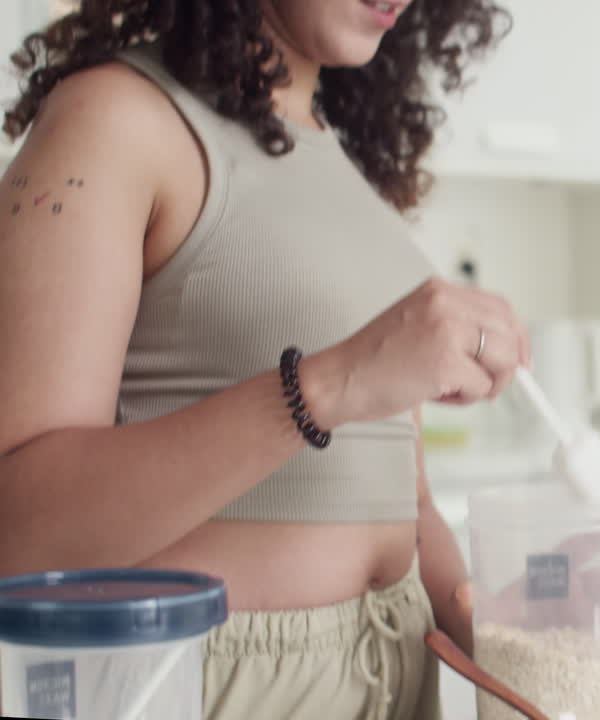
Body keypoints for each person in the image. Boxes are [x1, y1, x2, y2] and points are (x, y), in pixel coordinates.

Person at [0, 1, 526, 718]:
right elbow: (20, 526)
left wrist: (516, 643)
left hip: (399, 672)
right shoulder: (115, 118)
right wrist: (327, 386)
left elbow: (411, 505)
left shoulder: (347, 162)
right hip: (212, 686)